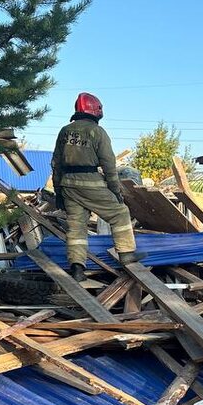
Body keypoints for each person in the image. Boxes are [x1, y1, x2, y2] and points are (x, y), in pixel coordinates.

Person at [51, 92, 144, 276]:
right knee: (120, 213)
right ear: (96, 111)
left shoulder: (64, 131)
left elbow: (56, 163)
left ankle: (77, 268)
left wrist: (58, 191)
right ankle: (126, 254)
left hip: (68, 185)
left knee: (76, 227)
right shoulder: (98, 132)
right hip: (91, 183)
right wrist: (115, 190)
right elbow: (109, 163)